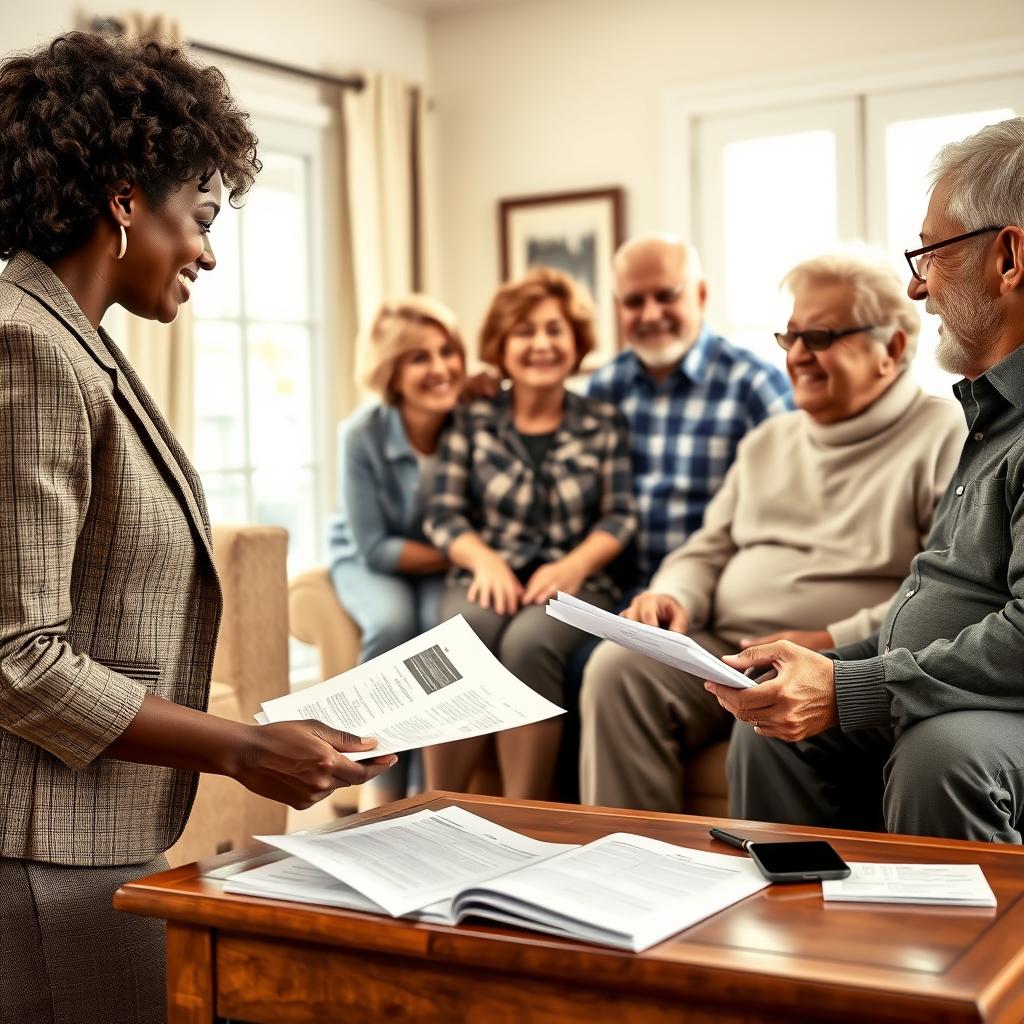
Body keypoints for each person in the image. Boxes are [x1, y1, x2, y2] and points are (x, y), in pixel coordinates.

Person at [0, 33, 394, 1024]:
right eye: (202, 215)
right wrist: (240, 748)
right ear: (126, 200)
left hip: (96, 833)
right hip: (41, 850)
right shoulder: (28, 346)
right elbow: (18, 657)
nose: (211, 249)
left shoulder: (81, 348)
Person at [709, 117, 1024, 843]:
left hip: (990, 716)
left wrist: (852, 686)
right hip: (952, 691)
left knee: (942, 756)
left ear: (1008, 258)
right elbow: (943, 598)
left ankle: (961, 958)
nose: (917, 287)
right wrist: (816, 669)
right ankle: (803, 952)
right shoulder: (990, 409)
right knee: (770, 723)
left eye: (933, 255)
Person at [579, 250, 964, 812]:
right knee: (616, 669)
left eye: (822, 336)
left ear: (894, 348)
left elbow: (945, 593)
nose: (799, 357)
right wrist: (672, 593)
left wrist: (832, 638)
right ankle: (631, 869)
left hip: (844, 660)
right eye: (791, 339)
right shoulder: (770, 440)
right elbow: (707, 547)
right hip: (729, 650)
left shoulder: (943, 435)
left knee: (772, 712)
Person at [423, 268, 636, 800]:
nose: (540, 344)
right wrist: (485, 562)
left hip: (578, 580)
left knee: (530, 642)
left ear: (576, 343)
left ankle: (524, 814)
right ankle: (436, 806)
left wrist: (575, 566)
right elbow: (443, 514)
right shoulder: (471, 419)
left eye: (554, 330)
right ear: (502, 344)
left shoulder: (604, 422)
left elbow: (619, 517)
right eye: (524, 332)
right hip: (484, 572)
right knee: (461, 636)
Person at [586, 235, 794, 590]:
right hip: (613, 591)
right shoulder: (605, 387)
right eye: (634, 301)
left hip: (711, 594)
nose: (651, 314)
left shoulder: (754, 385)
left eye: (666, 295)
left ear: (700, 295)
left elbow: (787, 510)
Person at [328, 296, 466, 807]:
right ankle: (378, 780)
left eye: (447, 352)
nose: (441, 368)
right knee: (392, 621)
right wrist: (465, 554)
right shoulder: (360, 435)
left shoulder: (469, 424)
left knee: (443, 625)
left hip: (442, 556)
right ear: (391, 370)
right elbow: (377, 546)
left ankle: (428, 785)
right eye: (420, 357)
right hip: (372, 554)